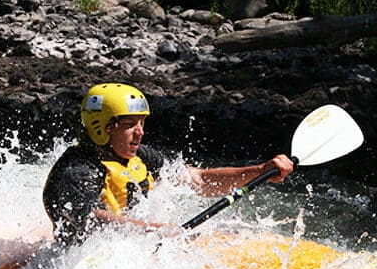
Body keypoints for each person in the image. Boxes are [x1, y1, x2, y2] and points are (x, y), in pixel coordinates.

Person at [43, 83, 293, 245]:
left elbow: (199, 180)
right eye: (130, 124)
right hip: (83, 262)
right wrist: (155, 231)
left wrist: (259, 171)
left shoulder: (140, 156)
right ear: (103, 128)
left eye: (142, 123)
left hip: (137, 246)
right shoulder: (77, 171)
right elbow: (90, 220)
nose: (140, 133)